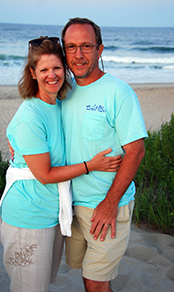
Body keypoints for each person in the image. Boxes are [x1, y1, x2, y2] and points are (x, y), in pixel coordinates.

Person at [0, 36, 122, 292]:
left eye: (56, 68)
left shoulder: (59, 103)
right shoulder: (30, 116)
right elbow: (44, 174)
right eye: (43, 69)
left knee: (40, 284)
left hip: (52, 214)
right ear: (32, 73)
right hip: (28, 216)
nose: (51, 75)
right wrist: (91, 165)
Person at [60, 17, 148, 292]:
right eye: (71, 47)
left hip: (106, 205)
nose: (78, 55)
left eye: (86, 46)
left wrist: (110, 204)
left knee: (96, 283)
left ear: (100, 50)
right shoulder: (63, 90)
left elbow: (136, 150)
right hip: (71, 204)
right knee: (84, 274)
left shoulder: (118, 92)